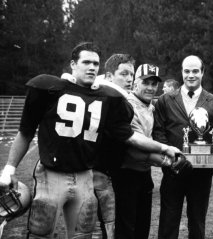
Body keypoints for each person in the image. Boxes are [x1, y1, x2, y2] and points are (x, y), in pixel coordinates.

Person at [0, 42, 181, 239]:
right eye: (86, 62)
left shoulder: (109, 98)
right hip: (51, 174)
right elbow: (25, 132)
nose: (92, 67)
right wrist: (9, 170)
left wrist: (164, 147)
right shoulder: (49, 87)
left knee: (83, 235)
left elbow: (129, 136)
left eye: (96, 63)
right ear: (73, 64)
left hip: (85, 175)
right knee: (41, 233)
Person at [153, 55, 213, 239]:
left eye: (195, 71)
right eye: (187, 71)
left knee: (198, 221)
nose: (191, 75)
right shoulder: (165, 100)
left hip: (202, 173)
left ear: (202, 73)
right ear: (182, 72)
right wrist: (171, 156)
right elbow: (158, 131)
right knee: (168, 220)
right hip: (173, 170)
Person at [115, 63, 187, 239]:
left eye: (154, 84)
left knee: (142, 228)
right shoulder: (127, 105)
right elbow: (136, 146)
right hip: (126, 174)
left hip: (143, 174)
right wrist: (167, 158)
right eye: (146, 82)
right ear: (135, 83)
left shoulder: (151, 107)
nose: (150, 87)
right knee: (126, 230)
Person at [93, 53, 135, 238]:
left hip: (103, 172)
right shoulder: (111, 98)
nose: (129, 79)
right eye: (124, 74)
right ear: (109, 76)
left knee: (100, 226)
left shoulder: (108, 95)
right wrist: (162, 150)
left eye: (131, 75)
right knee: (102, 227)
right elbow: (129, 138)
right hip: (99, 172)